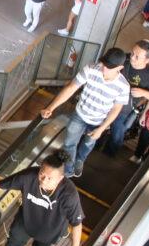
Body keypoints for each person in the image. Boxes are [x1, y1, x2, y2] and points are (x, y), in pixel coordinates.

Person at [40, 47, 130, 178]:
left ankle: (80, 160)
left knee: (88, 143)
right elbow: (71, 88)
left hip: (98, 121)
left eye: (109, 67)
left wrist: (102, 128)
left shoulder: (123, 86)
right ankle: (68, 171)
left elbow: (116, 109)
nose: (104, 69)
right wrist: (51, 107)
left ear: (120, 68)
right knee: (69, 143)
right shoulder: (91, 68)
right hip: (80, 114)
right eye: (104, 64)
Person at [103, 41, 149, 157]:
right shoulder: (123, 59)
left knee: (116, 135)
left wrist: (143, 92)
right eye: (132, 52)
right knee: (100, 127)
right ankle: (95, 149)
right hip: (107, 102)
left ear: (147, 60)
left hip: (124, 111)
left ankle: (107, 156)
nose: (132, 57)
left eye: (137, 56)